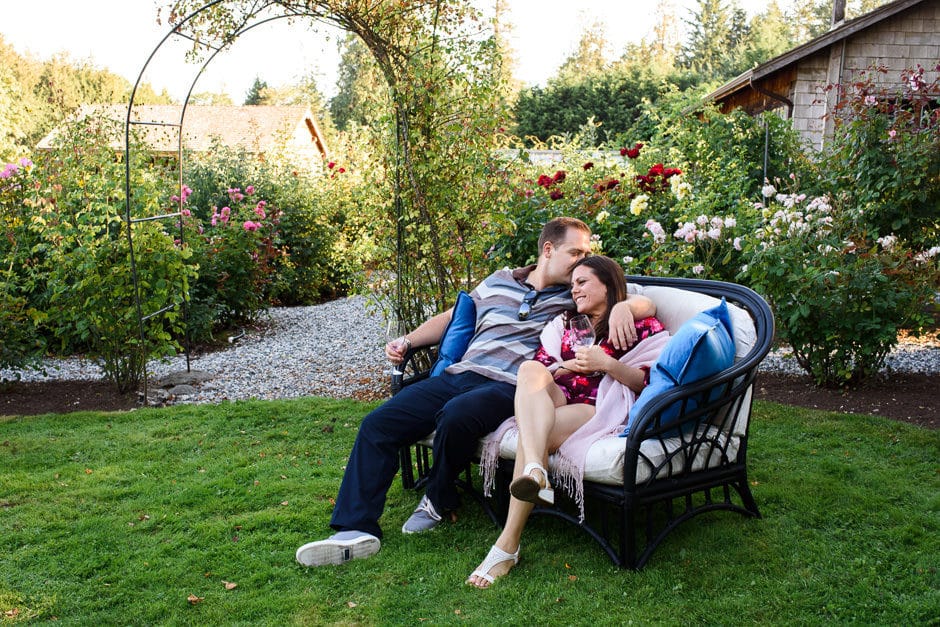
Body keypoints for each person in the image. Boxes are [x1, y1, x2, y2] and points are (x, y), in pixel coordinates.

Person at [295, 218, 655, 567]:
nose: (583, 261)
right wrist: (408, 340)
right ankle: (355, 529)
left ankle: (437, 498)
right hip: (458, 374)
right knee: (378, 423)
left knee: (458, 415)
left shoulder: (574, 296)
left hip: (510, 387)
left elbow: (636, 301)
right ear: (548, 249)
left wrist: (625, 306)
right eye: (576, 252)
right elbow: (452, 317)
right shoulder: (499, 280)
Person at [466, 255, 670, 588]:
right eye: (572, 284)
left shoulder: (640, 323)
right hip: (558, 393)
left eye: (582, 282)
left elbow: (650, 382)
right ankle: (536, 468)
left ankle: (507, 545)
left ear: (608, 283)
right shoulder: (567, 321)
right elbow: (544, 365)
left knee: (536, 435)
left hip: (597, 405)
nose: (574, 290)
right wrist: (566, 368)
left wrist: (606, 363)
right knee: (530, 370)